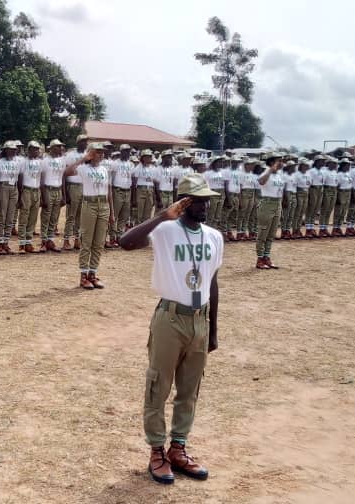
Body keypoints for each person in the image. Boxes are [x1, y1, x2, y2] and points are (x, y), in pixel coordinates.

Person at [118, 174, 222, 485]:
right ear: (184, 201)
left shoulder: (214, 236)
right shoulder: (164, 230)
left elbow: (212, 282)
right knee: (158, 387)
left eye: (206, 200)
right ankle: (156, 452)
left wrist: (213, 329)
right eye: (197, 200)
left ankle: (178, 448)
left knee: (189, 390)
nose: (204, 205)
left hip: (199, 319)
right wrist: (163, 215)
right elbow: (125, 243)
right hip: (170, 318)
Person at [63, 142, 113, 289]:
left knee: (98, 243)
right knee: (87, 241)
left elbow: (108, 190)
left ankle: (93, 273)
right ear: (91, 153)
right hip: (89, 205)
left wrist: (111, 213)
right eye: (98, 152)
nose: (101, 154)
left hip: (103, 205)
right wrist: (83, 158)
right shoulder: (83, 168)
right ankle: (83, 276)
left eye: (102, 152)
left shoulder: (105, 169)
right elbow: (67, 172)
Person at [255, 154, 286, 269]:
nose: (282, 163)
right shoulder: (266, 172)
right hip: (267, 204)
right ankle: (260, 259)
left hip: (277, 203)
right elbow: (261, 182)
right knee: (263, 232)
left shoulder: (279, 175)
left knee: (271, 233)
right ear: (272, 162)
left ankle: (267, 257)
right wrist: (270, 170)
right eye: (279, 161)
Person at [17, 141, 44, 253]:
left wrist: (41, 194)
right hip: (26, 190)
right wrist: (20, 194)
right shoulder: (23, 162)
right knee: (24, 216)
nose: (36, 151)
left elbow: (41, 179)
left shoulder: (40, 162)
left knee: (33, 217)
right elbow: (20, 179)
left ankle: (28, 241)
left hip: (36, 190)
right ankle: (22, 243)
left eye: (37, 149)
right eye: (33, 149)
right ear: (29, 150)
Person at [40, 140, 67, 252]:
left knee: (54, 217)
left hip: (58, 189)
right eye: (58, 146)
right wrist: (43, 196)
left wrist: (64, 195)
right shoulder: (45, 161)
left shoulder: (62, 161)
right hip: (48, 189)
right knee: (46, 216)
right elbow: (41, 180)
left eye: (61, 146)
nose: (60, 148)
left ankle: (50, 240)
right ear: (51, 148)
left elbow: (63, 178)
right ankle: (43, 241)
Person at [106, 144, 135, 247]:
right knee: (115, 215)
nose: (127, 153)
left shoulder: (131, 164)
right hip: (117, 190)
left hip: (128, 190)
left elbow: (132, 178)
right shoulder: (115, 164)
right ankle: (112, 237)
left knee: (124, 215)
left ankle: (119, 236)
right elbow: (111, 178)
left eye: (128, 151)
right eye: (125, 151)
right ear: (121, 151)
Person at [62, 135, 88, 250]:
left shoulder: (88, 155)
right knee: (71, 215)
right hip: (73, 186)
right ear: (78, 143)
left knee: (81, 216)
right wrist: (66, 192)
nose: (85, 143)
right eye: (82, 141)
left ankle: (77, 239)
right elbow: (65, 173)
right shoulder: (70, 155)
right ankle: (66, 240)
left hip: (85, 187)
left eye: (86, 142)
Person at [0, 142, 21, 255]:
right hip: (3, 187)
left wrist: (19, 193)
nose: (13, 151)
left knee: (10, 217)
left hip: (14, 187)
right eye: (10, 149)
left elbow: (19, 178)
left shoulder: (18, 162)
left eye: (14, 149)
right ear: (5, 150)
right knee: (2, 216)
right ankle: (0, 243)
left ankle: (6, 242)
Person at [202, 156, 226, 231]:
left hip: (221, 193)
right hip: (212, 193)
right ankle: (208, 231)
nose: (220, 163)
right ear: (214, 163)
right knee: (210, 215)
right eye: (218, 162)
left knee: (218, 215)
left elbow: (225, 184)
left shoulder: (222, 172)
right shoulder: (207, 173)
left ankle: (214, 230)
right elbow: (205, 185)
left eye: (221, 162)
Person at [331, 158, 352, 236]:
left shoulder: (348, 174)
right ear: (342, 166)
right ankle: (334, 228)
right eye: (347, 165)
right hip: (341, 192)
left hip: (348, 192)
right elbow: (337, 186)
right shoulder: (339, 174)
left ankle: (339, 227)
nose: (348, 167)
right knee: (338, 211)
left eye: (349, 165)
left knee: (343, 211)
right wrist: (337, 196)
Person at [317, 157, 337, 237]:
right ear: (329, 164)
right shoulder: (324, 171)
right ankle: (321, 229)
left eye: (335, 163)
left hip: (334, 190)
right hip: (327, 190)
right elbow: (322, 183)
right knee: (324, 210)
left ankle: (325, 228)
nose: (335, 165)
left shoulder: (335, 172)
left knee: (329, 210)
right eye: (333, 163)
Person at [279, 159, 297, 239]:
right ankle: (283, 231)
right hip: (287, 194)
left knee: (291, 215)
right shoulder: (284, 176)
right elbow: (282, 188)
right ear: (289, 167)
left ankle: (287, 230)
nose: (294, 168)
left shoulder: (294, 175)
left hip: (293, 194)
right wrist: (284, 199)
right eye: (293, 167)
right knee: (286, 214)